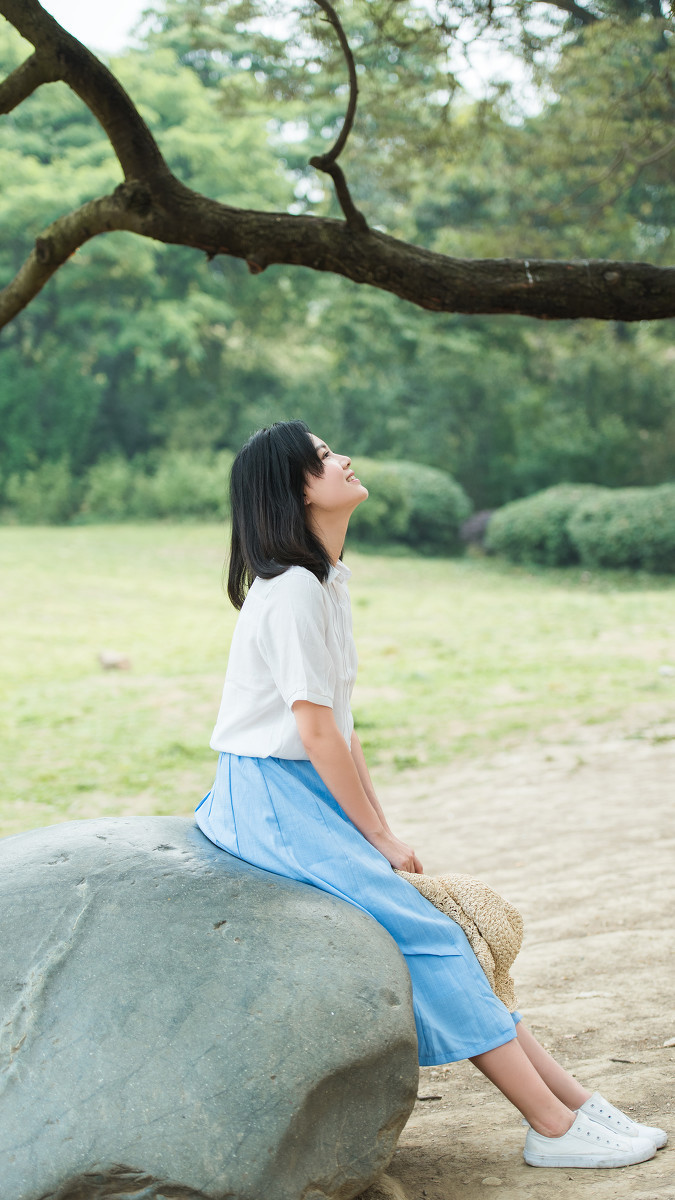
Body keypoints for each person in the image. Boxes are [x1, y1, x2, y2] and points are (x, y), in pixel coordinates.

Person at [196, 420, 666, 1169]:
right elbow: (313, 735)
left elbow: (342, 732)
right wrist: (375, 841)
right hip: (271, 800)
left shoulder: (323, 581)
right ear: (294, 491)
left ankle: (575, 1103)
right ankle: (550, 1126)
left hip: (302, 792)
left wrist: (383, 829)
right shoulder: (288, 593)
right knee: (432, 936)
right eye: (322, 457)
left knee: (442, 925)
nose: (342, 458)